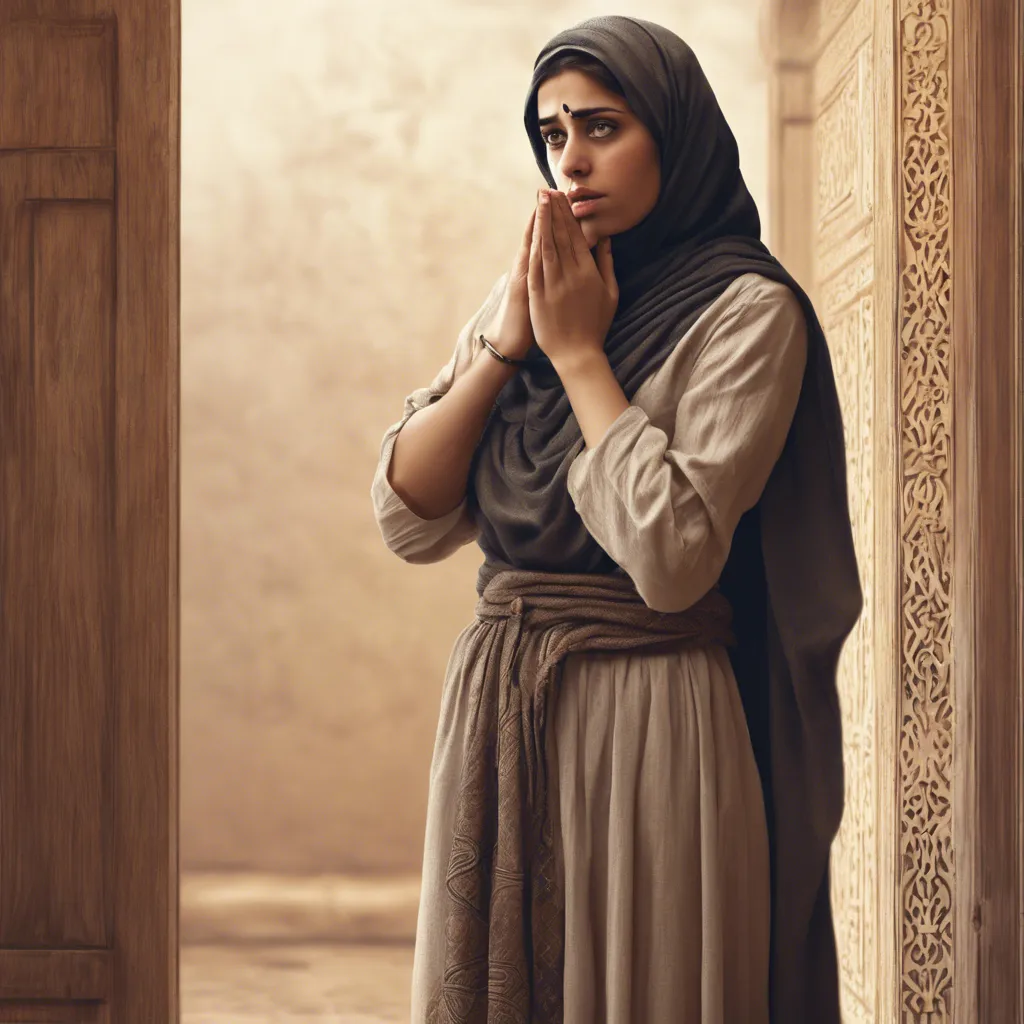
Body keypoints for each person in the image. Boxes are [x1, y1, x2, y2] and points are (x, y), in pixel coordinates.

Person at [370, 15, 862, 1024]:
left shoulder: (745, 312)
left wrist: (580, 358)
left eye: (601, 127)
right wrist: (509, 346)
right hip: (502, 708)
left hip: (651, 718)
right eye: (552, 135)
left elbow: (673, 559)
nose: (572, 159)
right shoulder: (542, 293)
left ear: (671, 136)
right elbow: (408, 515)